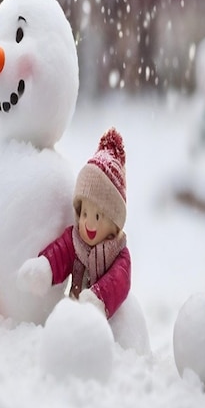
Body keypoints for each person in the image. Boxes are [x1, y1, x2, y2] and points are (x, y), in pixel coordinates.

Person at [18, 127, 130, 318]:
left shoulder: (119, 254)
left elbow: (119, 281)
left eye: (97, 217)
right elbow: (61, 253)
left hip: (109, 320)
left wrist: (98, 298)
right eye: (84, 213)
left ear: (114, 222)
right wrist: (45, 268)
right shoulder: (76, 240)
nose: (89, 224)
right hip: (76, 316)